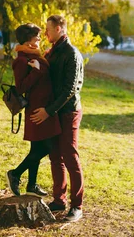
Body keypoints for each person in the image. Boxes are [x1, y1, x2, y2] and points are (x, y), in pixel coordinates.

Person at [30, 15, 85, 223]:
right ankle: (59, 200)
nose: (46, 34)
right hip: (53, 112)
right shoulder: (51, 52)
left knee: (70, 156)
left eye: (49, 30)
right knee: (55, 156)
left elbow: (70, 89)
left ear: (60, 29)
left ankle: (77, 206)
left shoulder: (72, 54)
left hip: (68, 112)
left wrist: (49, 111)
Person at [6, 23, 62, 197]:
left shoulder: (36, 55)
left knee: (36, 148)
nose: (40, 38)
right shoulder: (21, 60)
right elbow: (20, 87)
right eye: (37, 36)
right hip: (37, 110)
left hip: (44, 107)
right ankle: (15, 173)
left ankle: (32, 185)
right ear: (28, 40)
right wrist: (36, 72)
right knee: (46, 147)